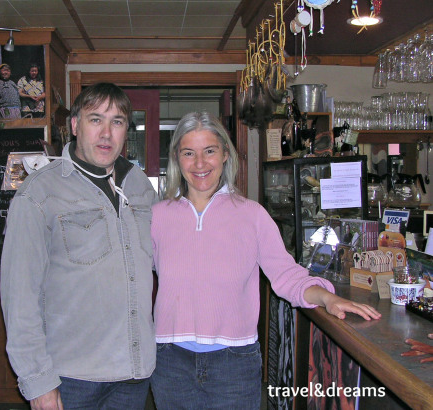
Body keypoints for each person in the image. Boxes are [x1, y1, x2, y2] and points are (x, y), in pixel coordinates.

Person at [149, 111, 381, 410]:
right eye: (188, 153)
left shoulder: (252, 215)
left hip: (234, 362)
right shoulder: (156, 218)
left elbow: (286, 274)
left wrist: (326, 298)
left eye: (209, 151)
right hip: (170, 361)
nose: (200, 163)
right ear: (177, 159)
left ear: (225, 156)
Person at [0, 83, 158, 409]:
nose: (106, 133)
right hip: (71, 379)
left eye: (117, 122)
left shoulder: (140, 186)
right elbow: (20, 300)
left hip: (134, 373)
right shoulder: (38, 194)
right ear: (75, 125)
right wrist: (38, 382)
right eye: (95, 119)